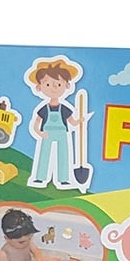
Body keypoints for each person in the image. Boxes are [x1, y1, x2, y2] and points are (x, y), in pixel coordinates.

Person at [26, 58, 82, 188]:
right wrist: (39, 132)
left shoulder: (64, 109)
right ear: (39, 87)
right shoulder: (43, 109)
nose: (54, 88)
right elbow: (36, 122)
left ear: (66, 86)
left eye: (58, 84)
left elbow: (72, 122)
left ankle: (63, 178)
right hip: (47, 133)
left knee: (63, 154)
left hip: (62, 133)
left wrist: (80, 121)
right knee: (44, 154)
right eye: (48, 85)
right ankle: (40, 177)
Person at [0, 208, 72, 261]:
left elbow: (36, 250)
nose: (27, 243)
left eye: (30, 238)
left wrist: (39, 258)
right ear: (7, 239)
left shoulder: (26, 242)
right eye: (21, 242)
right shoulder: (4, 254)